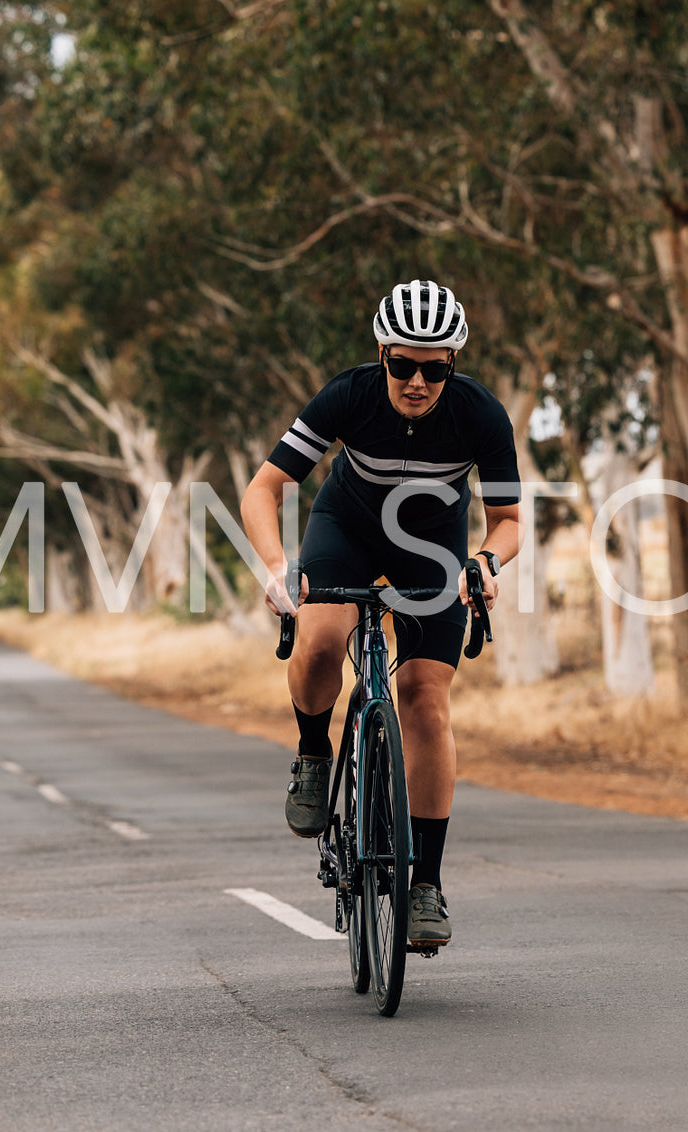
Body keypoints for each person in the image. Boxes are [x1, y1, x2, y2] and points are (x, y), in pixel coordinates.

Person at [239, 279, 522, 948]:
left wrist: (484, 564)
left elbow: (507, 521)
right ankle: (313, 751)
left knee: (424, 699)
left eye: (434, 369)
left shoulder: (480, 414)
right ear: (381, 354)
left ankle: (424, 885)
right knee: (319, 640)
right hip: (348, 526)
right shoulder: (349, 395)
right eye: (402, 365)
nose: (417, 382)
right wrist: (279, 569)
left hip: (433, 543)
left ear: (452, 365)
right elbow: (265, 486)